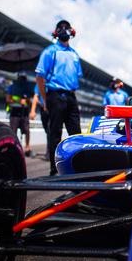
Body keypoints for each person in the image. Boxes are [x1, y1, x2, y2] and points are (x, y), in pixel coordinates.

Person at [35, 20, 83, 175]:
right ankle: (54, 170)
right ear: (55, 32)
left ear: (72, 31)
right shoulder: (49, 52)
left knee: (76, 134)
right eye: (60, 28)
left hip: (71, 97)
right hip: (55, 96)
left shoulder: (75, 54)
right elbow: (40, 77)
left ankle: (78, 168)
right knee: (54, 135)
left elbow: (76, 76)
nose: (64, 30)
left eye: (66, 27)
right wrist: (45, 101)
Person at [6, 71, 32, 156]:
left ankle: (27, 148)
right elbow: (8, 100)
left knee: (26, 130)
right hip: (15, 112)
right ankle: (13, 147)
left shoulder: (26, 89)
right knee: (13, 131)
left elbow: (29, 102)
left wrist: (26, 99)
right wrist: (18, 101)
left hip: (24, 112)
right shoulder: (12, 87)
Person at [30, 84, 50, 159]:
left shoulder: (53, 82)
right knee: (47, 130)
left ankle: (49, 152)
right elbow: (36, 96)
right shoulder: (39, 83)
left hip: (53, 109)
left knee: (50, 131)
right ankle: (50, 150)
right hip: (43, 109)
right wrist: (32, 111)